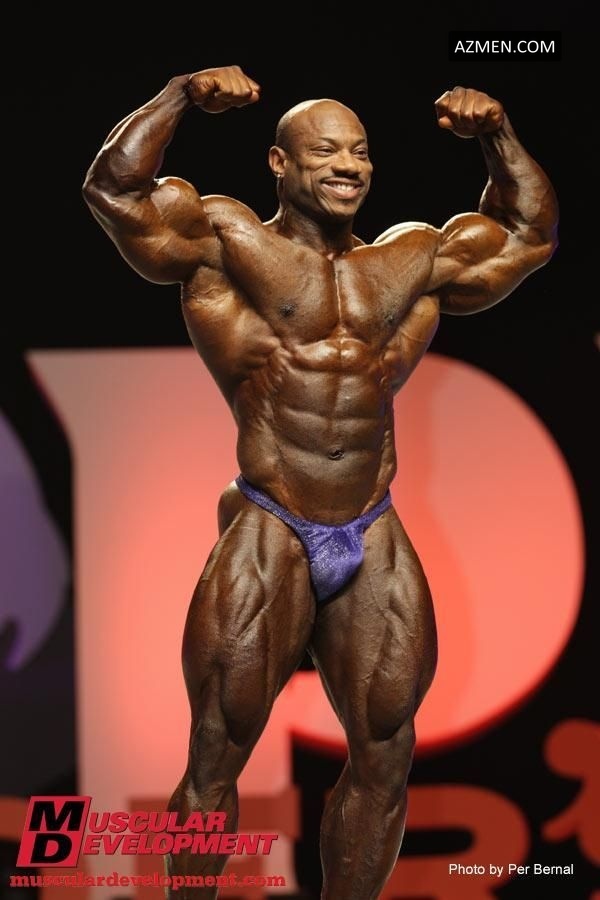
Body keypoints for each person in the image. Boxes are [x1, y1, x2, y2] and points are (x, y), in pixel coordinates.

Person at [83, 66, 558, 899]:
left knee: (388, 750)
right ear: (279, 162)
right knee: (217, 750)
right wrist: (180, 96)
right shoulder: (226, 241)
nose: (349, 166)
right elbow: (115, 192)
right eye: (327, 151)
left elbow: (529, 234)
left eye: (361, 153)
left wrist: (497, 134)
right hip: (273, 519)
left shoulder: (410, 258)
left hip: (370, 524)